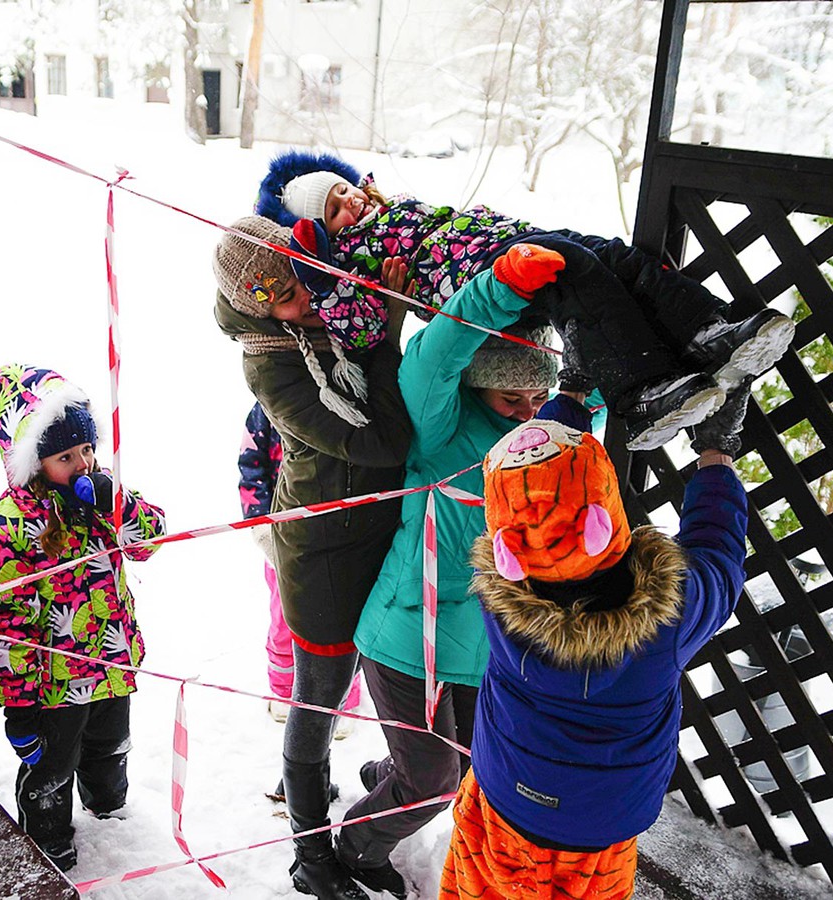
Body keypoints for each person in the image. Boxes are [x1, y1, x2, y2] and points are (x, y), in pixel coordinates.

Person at [335, 263, 601, 897]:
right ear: (482, 386)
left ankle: (392, 777)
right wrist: (499, 287)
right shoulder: (443, 430)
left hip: (480, 643)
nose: (528, 413)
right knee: (432, 784)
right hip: (406, 632)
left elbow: (594, 393)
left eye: (539, 399)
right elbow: (434, 357)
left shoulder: (542, 440)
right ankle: (354, 844)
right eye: (512, 399)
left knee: (463, 768)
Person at [438, 380, 755, 900]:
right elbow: (717, 551)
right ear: (602, 519)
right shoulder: (666, 621)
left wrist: (572, 399)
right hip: (598, 833)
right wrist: (715, 454)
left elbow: (531, 505)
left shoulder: (498, 600)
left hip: (497, 804)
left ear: (507, 549)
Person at [256, 149, 795, 451]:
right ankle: (643, 389)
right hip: (478, 274)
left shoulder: (396, 206)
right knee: (574, 267)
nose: (348, 206)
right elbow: (362, 325)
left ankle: (708, 331)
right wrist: (325, 281)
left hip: (506, 238)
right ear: (322, 231)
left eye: (344, 191)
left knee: (613, 257)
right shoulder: (354, 261)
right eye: (332, 211)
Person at [214, 216, 413, 900]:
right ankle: (310, 854)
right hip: (325, 555)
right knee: (320, 697)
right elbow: (382, 441)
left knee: (394, 676)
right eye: (281, 289)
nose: (303, 293)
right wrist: (387, 337)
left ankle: (389, 784)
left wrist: (382, 307)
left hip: (378, 532)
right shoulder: (270, 364)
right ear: (252, 301)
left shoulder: (312, 311)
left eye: (302, 273)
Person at [0, 364, 166, 873]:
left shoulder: (104, 498)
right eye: (65, 456)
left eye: (87, 450)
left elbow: (152, 539)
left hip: (112, 664)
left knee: (109, 748)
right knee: (51, 770)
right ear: (32, 462)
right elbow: (6, 625)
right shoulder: (7, 527)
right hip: (54, 686)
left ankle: (110, 812)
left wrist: (119, 507)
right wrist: (19, 706)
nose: (83, 464)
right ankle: (48, 844)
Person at [238, 402, 363, 731]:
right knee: (284, 620)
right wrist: (261, 523)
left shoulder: (345, 399)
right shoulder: (268, 407)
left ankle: (345, 698)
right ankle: (283, 691)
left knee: (346, 618)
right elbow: (251, 466)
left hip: (342, 536)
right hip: (286, 539)